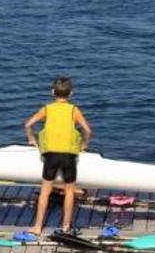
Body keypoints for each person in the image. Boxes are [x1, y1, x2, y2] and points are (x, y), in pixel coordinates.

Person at [20, 77, 92, 240]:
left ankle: (38, 227)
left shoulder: (47, 109)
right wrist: (84, 145)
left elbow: (28, 124)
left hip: (50, 155)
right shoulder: (74, 110)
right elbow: (88, 130)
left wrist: (31, 139)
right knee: (69, 191)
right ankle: (65, 226)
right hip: (69, 155)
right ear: (71, 93)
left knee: (45, 191)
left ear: (53, 92)